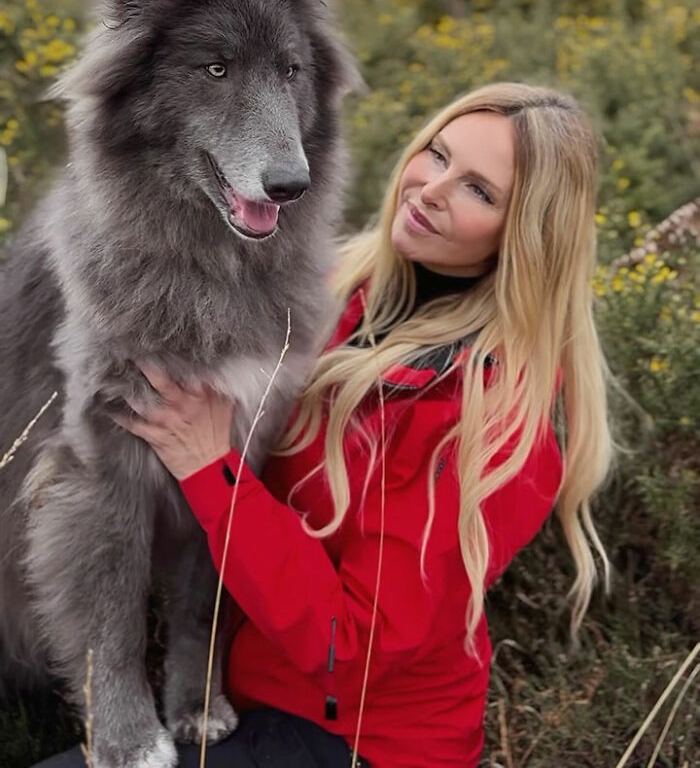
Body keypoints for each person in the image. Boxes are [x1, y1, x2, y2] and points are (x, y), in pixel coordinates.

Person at [37, 82, 613, 768]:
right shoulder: (331, 287)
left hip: (358, 742)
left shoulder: (492, 420)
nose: (429, 188)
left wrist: (207, 466)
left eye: (479, 191)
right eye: (436, 153)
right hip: (244, 689)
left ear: (523, 235)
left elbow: (353, 645)